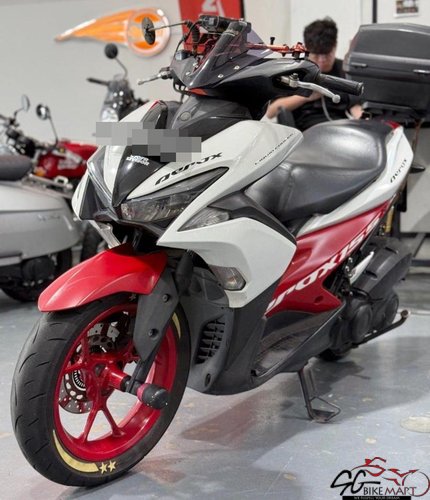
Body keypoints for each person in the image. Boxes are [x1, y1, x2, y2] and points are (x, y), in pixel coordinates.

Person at [266, 17, 361, 130]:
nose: (321, 61)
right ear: (306, 49)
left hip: (339, 127)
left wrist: (364, 121)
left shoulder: (344, 70)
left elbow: (355, 106)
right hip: (306, 130)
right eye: (316, 55)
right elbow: (271, 112)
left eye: (327, 55)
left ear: (335, 46)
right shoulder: (293, 70)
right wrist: (305, 97)